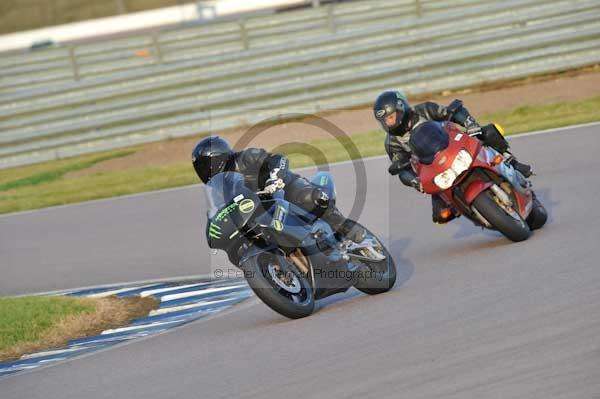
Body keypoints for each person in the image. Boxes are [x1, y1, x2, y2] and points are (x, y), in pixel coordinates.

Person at [373, 90, 533, 224]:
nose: (388, 123)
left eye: (390, 117)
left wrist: (470, 124)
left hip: (454, 145)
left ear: (401, 109)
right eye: (384, 121)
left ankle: (511, 160)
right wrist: (415, 181)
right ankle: (471, 211)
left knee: (487, 132)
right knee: (441, 215)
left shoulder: (424, 110)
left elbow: (452, 112)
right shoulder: (392, 143)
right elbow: (401, 168)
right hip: (434, 169)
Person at [192, 136, 366, 246]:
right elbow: (218, 210)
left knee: (310, 198)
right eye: (201, 167)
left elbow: (278, 160)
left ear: (221, 157)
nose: (206, 170)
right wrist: (213, 225)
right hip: (258, 210)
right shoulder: (216, 188)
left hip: (284, 188)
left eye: (208, 164)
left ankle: (343, 226)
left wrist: (274, 178)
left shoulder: (245, 157)